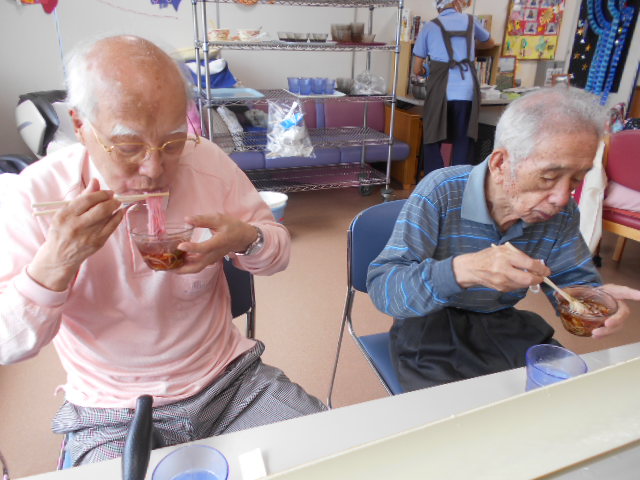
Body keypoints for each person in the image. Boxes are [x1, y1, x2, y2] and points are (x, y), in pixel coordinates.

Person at [0, 35, 325, 466]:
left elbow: (277, 252)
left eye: (171, 142)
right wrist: (56, 262)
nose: (154, 168)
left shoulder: (205, 160)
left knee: (326, 453)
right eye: (129, 147)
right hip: (110, 409)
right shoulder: (36, 195)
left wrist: (247, 238)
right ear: (80, 124)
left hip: (229, 383)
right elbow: (8, 343)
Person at [367, 86, 640, 392]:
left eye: (577, 179)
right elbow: (384, 290)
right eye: (548, 177)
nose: (562, 197)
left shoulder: (561, 214)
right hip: (430, 326)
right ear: (500, 165)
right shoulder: (441, 192)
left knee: (562, 397)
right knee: (461, 422)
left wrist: (594, 305)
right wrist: (462, 271)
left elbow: (570, 284)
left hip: (501, 323)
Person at [413, 0, 495, 176]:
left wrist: (428, 69)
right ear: (457, 3)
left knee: (433, 137)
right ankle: (459, 184)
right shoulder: (472, 21)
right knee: (464, 139)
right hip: (466, 91)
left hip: (440, 92)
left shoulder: (430, 26)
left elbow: (416, 68)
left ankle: (435, 183)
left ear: (438, 6)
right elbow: (490, 42)